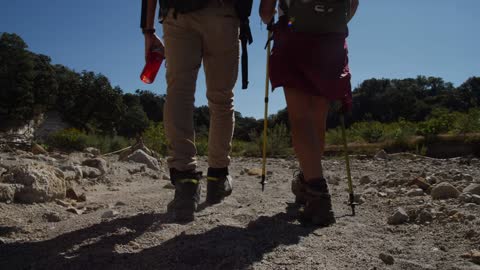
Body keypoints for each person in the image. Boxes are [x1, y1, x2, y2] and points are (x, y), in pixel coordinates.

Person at [141, 0, 249, 222]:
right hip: (223, 13)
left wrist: (148, 30)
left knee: (178, 94)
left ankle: (185, 181)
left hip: (179, 12)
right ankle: (218, 177)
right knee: (221, 99)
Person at [259, 0, 359, 226]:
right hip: (331, 40)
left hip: (295, 37)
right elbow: (353, 4)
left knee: (300, 117)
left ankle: (317, 192)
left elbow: (266, 12)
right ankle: (307, 179)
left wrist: (270, 20)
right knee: (317, 118)